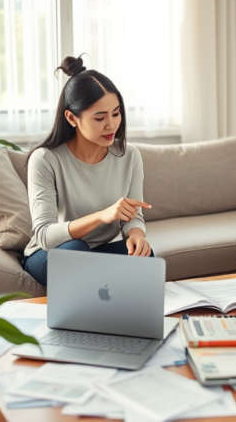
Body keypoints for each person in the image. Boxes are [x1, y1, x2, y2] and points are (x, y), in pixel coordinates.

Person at [22, 55, 153, 286]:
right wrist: (103, 215)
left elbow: (134, 217)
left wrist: (136, 235)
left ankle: (99, 290)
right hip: (51, 253)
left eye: (116, 113)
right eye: (100, 118)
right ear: (72, 118)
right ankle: (105, 288)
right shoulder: (45, 160)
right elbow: (44, 236)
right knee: (76, 250)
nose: (112, 125)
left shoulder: (129, 156)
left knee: (145, 256)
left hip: (96, 252)